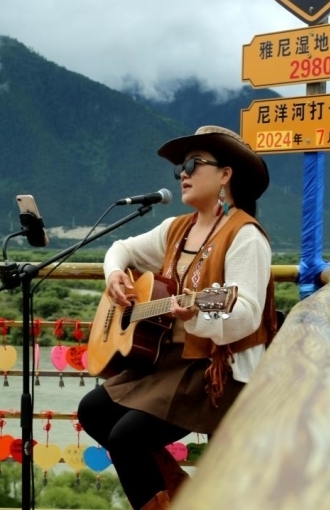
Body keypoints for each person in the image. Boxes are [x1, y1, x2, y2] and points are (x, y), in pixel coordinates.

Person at [77, 125, 278, 510]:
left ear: (225, 174)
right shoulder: (176, 229)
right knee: (93, 411)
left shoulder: (245, 236)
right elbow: (120, 249)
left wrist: (198, 316)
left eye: (192, 164)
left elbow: (247, 315)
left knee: (126, 438)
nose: (182, 174)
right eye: (180, 168)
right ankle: (181, 497)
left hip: (215, 372)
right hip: (167, 363)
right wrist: (114, 274)